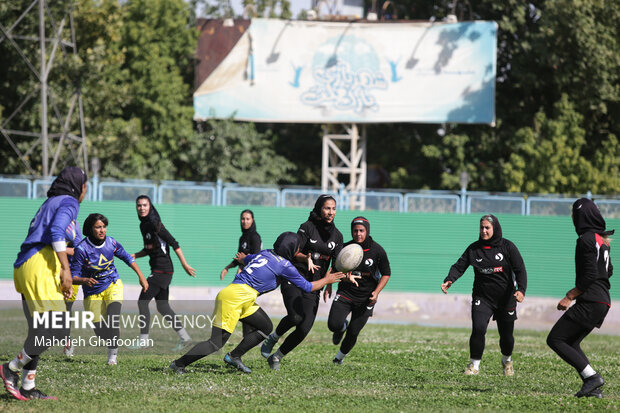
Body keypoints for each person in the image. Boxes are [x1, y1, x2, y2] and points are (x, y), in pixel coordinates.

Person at [169, 232, 344, 374]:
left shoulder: (266, 253)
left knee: (265, 327)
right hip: (235, 298)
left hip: (241, 296)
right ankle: (178, 364)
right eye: (298, 248)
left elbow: (247, 258)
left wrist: (243, 258)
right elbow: (307, 286)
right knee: (216, 343)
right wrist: (328, 279)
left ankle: (234, 356)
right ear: (291, 250)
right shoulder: (285, 265)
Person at [0, 166, 87, 400]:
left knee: (39, 331)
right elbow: (56, 232)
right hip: (39, 264)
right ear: (77, 185)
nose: (85, 190)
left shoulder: (52, 203)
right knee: (58, 330)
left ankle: (28, 387)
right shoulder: (69, 201)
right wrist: (67, 271)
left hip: (28, 265)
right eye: (85, 185)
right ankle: (11, 368)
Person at [261, 194, 344, 370]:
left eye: (333, 209)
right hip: (295, 277)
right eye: (327, 208)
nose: (330, 212)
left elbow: (336, 264)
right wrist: (305, 257)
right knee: (295, 316)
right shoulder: (307, 227)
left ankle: (277, 357)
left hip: (315, 285)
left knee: (304, 328)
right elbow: (294, 252)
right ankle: (273, 337)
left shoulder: (337, 237)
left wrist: (329, 283)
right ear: (319, 209)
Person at [441, 214, 527, 376]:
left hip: (506, 298)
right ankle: (474, 365)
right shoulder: (474, 249)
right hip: (483, 297)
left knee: (506, 336)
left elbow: (520, 269)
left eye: (487, 227)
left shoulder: (507, 247)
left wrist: (521, 290)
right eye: (481, 227)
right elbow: (459, 266)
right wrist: (449, 279)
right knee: (478, 329)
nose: (484, 231)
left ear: (495, 228)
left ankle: (507, 361)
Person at [547, 198, 614, 398]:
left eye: (574, 216)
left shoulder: (585, 239)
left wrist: (569, 296)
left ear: (581, 217)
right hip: (602, 300)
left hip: (592, 300)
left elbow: (591, 275)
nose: (573, 220)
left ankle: (592, 378)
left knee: (556, 339)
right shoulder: (601, 240)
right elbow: (608, 271)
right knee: (571, 342)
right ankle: (592, 386)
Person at [71, 213, 149, 365]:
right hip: (92, 292)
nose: (102, 230)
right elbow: (73, 276)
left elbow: (128, 258)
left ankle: (112, 357)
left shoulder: (111, 243)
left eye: (104, 227)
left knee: (113, 319)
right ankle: (113, 339)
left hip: (112, 283)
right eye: (98, 227)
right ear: (90, 229)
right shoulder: (81, 249)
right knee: (100, 332)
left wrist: (142, 276)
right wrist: (84, 280)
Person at [131, 195, 197, 351]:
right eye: (139, 205)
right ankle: (186, 339)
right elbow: (150, 249)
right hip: (159, 269)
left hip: (163, 269)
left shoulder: (155, 223)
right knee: (162, 307)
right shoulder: (144, 226)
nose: (142, 208)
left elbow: (174, 243)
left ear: (150, 206)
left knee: (142, 302)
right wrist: (135, 255)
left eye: (145, 205)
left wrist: (184, 264)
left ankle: (143, 340)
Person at [327, 217, 391, 365]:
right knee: (333, 325)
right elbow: (335, 270)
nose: (358, 234)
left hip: (366, 298)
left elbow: (386, 273)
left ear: (367, 231)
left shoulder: (377, 251)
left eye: (361, 231)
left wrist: (376, 292)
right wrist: (334, 282)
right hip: (346, 293)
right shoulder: (345, 248)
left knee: (354, 332)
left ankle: (338, 359)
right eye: (355, 231)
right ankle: (341, 327)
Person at [220, 209, 262, 280]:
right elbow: (238, 258)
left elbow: (256, 258)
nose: (245, 222)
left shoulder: (255, 237)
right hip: (241, 273)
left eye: (248, 219)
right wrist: (227, 268)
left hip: (252, 276)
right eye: (243, 219)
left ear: (252, 220)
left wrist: (242, 267)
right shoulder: (242, 238)